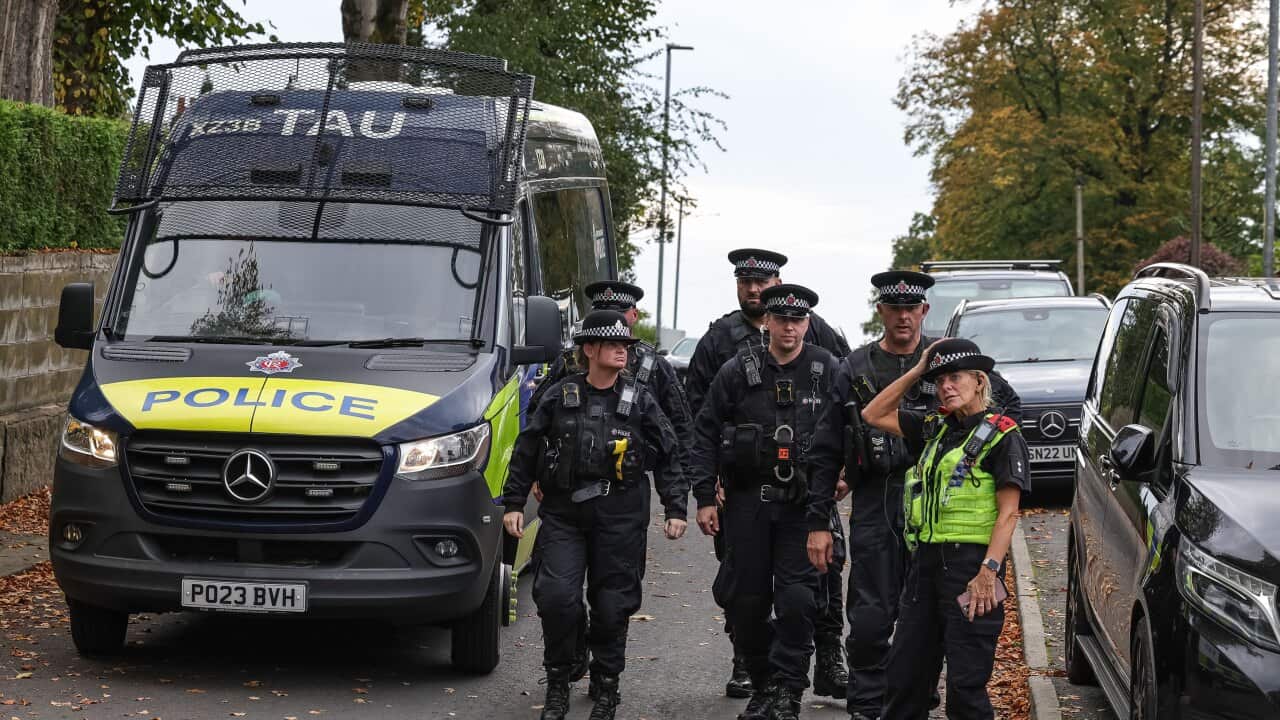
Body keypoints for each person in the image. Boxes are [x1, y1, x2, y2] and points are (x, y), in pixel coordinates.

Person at [837, 271, 1023, 719]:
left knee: (965, 689)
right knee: (904, 680)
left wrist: (989, 573)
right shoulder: (935, 427)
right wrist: (923, 366)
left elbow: (1009, 514)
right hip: (925, 567)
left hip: (971, 568)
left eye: (955, 377)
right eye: (940, 381)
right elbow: (872, 413)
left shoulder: (1001, 434)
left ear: (980, 381)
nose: (946, 386)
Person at [502, 310, 689, 720]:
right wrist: (514, 502)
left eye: (626, 346)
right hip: (565, 513)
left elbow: (670, 454)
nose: (623, 351)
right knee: (556, 598)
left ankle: (607, 687)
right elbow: (527, 449)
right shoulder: (559, 395)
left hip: (620, 515)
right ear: (590, 350)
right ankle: (558, 680)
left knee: (612, 606)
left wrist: (676, 507)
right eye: (613, 345)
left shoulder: (639, 399)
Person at [684, 249, 851, 700]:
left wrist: (846, 472)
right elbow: (699, 421)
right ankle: (756, 677)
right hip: (745, 496)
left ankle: (797, 684)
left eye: (797, 318)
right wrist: (705, 489)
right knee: (747, 597)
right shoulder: (727, 353)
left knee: (808, 595)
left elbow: (852, 414)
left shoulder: (825, 354)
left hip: (806, 500)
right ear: (769, 322)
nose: (789, 326)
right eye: (781, 318)